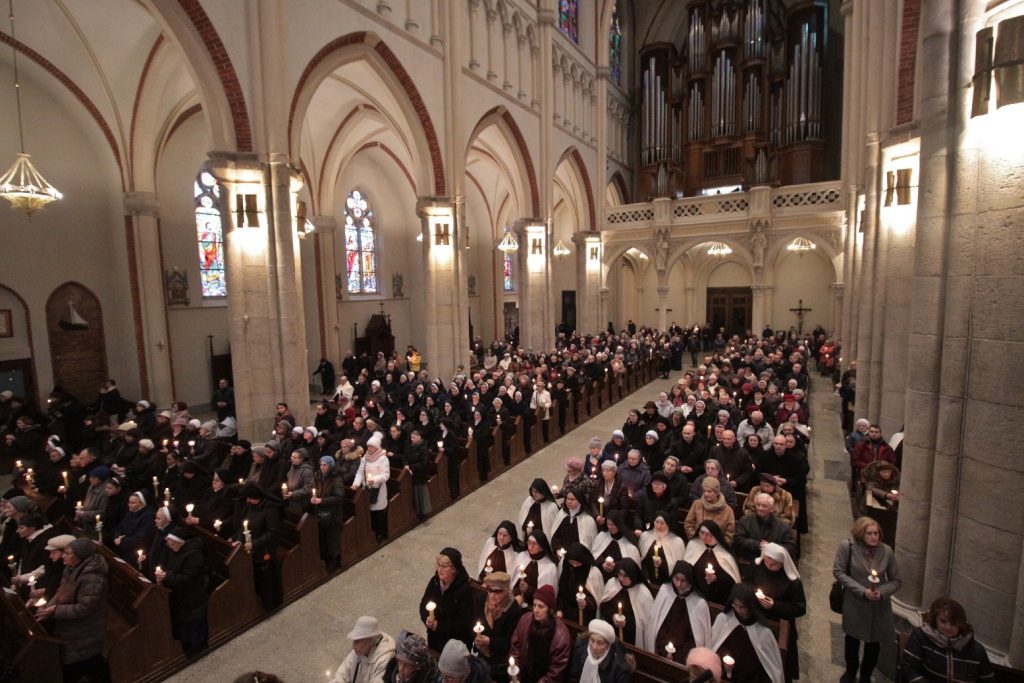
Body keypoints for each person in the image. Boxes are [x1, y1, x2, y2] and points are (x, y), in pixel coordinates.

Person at [833, 516, 902, 683]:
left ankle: (866, 675)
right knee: (852, 640)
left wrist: (882, 592)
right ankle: (850, 671)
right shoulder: (847, 547)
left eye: (876, 533)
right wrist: (862, 591)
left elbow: (896, 580)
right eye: (869, 534)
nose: (874, 537)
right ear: (860, 534)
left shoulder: (886, 551)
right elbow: (838, 572)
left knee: (873, 644)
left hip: (878, 606)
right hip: (855, 602)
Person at [36, 537, 111, 682]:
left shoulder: (93, 578)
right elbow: (60, 591)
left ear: (79, 556)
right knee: (86, 664)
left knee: (88, 663)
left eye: (68, 553)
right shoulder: (71, 568)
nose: (63, 556)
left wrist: (55, 610)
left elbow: (84, 608)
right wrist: (47, 609)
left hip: (86, 629)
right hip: (71, 626)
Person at [901, 597, 995, 683]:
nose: (948, 627)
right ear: (935, 620)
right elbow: (908, 668)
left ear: (961, 624)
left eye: (954, 623)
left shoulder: (977, 651)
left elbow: (988, 681)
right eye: (943, 621)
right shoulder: (921, 636)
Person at [751, 543, 806, 682]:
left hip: (780, 624)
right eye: (767, 560)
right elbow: (747, 584)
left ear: (782, 563)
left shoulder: (793, 581)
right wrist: (754, 595)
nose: (769, 565)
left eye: (774, 564)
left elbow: (800, 608)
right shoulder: (757, 567)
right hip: (757, 618)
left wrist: (775, 605)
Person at [709, 584, 784, 683]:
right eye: (734, 605)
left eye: (742, 607)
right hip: (726, 675)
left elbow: (769, 667)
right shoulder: (725, 619)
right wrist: (725, 655)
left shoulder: (763, 632)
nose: (738, 610)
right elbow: (716, 647)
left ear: (751, 606)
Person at [155, 528, 208, 656]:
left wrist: (167, 577)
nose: (169, 546)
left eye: (171, 543)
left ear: (179, 542)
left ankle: (196, 646)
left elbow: (188, 579)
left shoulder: (194, 555)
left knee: (192, 623)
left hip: (192, 596)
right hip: (179, 593)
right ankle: (185, 645)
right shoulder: (175, 551)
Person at [644, 560, 712, 658]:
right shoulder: (665, 591)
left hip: (685, 657)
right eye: (676, 579)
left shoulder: (699, 603)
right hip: (660, 650)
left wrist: (678, 656)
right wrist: (663, 649)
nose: (679, 584)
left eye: (683, 580)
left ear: (690, 580)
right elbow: (657, 625)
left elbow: (697, 640)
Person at [232, 482, 282, 611]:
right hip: (253, 546)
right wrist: (238, 539)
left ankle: (271, 603)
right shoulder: (251, 506)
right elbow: (244, 526)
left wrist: (254, 544)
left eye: (249, 498)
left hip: (265, 548)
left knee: (267, 578)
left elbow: (272, 532)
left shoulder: (270, 509)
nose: (247, 500)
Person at [510, 584, 572, 683]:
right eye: (534, 605)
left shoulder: (561, 636)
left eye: (541, 606)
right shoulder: (525, 620)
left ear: (550, 609)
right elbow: (515, 650)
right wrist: (515, 675)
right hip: (524, 676)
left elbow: (555, 672)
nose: (536, 610)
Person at [419, 548, 475, 652]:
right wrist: (427, 619)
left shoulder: (464, 590)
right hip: (434, 638)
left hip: (455, 644)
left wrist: (439, 626)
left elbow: (465, 623)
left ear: (454, 569)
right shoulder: (434, 582)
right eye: (438, 565)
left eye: (444, 567)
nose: (439, 570)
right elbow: (423, 604)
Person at [474, 571, 524, 682]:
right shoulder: (483, 599)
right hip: (482, 656)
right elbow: (475, 622)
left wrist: (490, 641)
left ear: (506, 591)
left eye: (497, 591)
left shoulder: (513, 609)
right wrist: (477, 640)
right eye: (490, 590)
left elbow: (510, 642)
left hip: (501, 663)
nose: (492, 595)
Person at [682, 521, 741, 606]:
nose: (704, 537)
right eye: (702, 533)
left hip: (715, 597)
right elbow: (685, 568)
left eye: (708, 534)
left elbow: (731, 580)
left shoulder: (725, 554)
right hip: (693, 593)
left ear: (714, 534)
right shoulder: (693, 545)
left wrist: (716, 578)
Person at [598, 558, 653, 647]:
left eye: (626, 576)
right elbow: (604, 606)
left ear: (633, 575)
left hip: (631, 640)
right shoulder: (613, 583)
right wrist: (613, 616)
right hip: (610, 635)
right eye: (620, 574)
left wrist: (626, 622)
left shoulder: (643, 593)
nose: (622, 579)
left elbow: (645, 623)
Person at [733, 492, 798, 565]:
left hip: (773, 563)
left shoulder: (782, 527)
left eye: (764, 506)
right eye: (758, 505)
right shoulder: (745, 520)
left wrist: (771, 547)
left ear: (771, 509)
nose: (760, 508)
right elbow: (738, 539)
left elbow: (791, 547)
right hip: (750, 560)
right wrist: (757, 545)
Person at [330, 615, 396, 683]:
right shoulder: (359, 650)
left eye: (357, 641)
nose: (353, 646)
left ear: (370, 641)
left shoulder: (385, 660)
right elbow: (342, 674)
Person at [351, 432, 390, 541]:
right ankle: (372, 533)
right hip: (367, 489)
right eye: (368, 446)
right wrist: (356, 484)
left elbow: (386, 475)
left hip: (378, 490)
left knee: (379, 513)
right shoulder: (365, 458)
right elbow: (360, 473)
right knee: (370, 512)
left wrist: (374, 480)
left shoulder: (383, 459)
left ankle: (381, 533)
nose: (369, 448)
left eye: (371, 446)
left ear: (377, 447)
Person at [566, 619, 632, 682]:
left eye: (600, 643)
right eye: (592, 640)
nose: (594, 647)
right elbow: (572, 677)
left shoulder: (620, 667)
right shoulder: (580, 649)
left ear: (608, 645)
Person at [556, 542, 605, 626]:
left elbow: (596, 599)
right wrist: (559, 609)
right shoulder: (565, 564)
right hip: (565, 612)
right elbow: (561, 590)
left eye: (577, 563)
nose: (574, 566)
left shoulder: (593, 573)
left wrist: (585, 603)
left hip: (583, 616)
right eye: (572, 562)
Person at [311, 455, 344, 572]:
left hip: (333, 514)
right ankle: (325, 559)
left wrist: (322, 501)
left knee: (332, 539)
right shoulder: (319, 476)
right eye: (320, 465)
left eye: (324, 465)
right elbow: (317, 489)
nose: (322, 467)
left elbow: (339, 497)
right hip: (321, 513)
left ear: (330, 466)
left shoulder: (336, 479)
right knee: (323, 538)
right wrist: (314, 498)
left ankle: (334, 562)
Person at [637, 510, 686, 586]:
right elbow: (641, 560)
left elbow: (676, 567)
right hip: (646, 578)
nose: (659, 526)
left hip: (665, 582)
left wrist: (662, 563)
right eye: (657, 522)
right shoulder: (645, 536)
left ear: (668, 524)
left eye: (662, 523)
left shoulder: (677, 542)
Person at [590, 510, 641, 582]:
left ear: (619, 525)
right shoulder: (602, 536)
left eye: (613, 524)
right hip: (600, 575)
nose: (610, 527)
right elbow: (593, 556)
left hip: (619, 580)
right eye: (608, 524)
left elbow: (631, 568)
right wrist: (602, 564)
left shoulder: (630, 546)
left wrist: (615, 566)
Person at [512, 530, 558, 606]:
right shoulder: (522, 556)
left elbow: (547, 596)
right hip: (516, 600)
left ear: (542, 547)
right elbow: (512, 583)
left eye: (534, 544)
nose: (530, 547)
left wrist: (528, 589)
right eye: (529, 543)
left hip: (535, 606)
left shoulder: (550, 567)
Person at [684, 477, 736, 543]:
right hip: (697, 543)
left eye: (709, 491)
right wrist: (696, 540)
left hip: (718, 547)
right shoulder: (697, 504)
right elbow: (688, 524)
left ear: (717, 493)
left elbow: (729, 534)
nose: (706, 494)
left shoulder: (728, 511)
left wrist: (719, 545)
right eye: (704, 491)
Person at [549, 490, 598, 558]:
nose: (569, 501)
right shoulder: (561, 514)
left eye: (572, 499)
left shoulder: (588, 520)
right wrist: (557, 550)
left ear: (580, 500)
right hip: (561, 556)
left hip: (578, 558)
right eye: (567, 499)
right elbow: (556, 536)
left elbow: (590, 543)